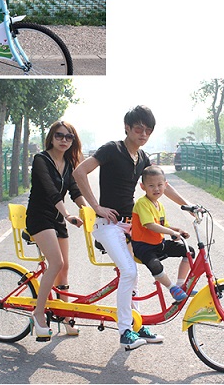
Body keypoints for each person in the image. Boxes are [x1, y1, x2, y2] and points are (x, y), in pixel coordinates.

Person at [73, 105, 195, 351]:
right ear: (127, 128)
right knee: (129, 272)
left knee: (134, 275)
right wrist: (96, 206)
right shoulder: (112, 149)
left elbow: (163, 185)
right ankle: (125, 331)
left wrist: (187, 205)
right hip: (108, 224)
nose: (144, 134)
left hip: (131, 227)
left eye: (148, 130)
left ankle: (137, 325)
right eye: (139, 129)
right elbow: (79, 172)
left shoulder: (143, 158)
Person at [25, 120, 88, 341]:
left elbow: (74, 191)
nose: (64, 140)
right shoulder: (41, 159)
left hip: (56, 219)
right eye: (59, 135)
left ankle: (65, 315)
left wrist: (89, 212)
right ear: (51, 137)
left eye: (69, 137)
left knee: (64, 268)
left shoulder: (69, 164)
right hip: (39, 217)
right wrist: (68, 215)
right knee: (56, 263)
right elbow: (51, 192)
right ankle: (38, 314)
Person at [131, 165, 196, 302]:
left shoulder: (159, 205)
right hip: (143, 246)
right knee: (155, 266)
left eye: (160, 185)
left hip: (158, 244)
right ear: (143, 187)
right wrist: (171, 232)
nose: (156, 189)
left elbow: (162, 226)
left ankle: (181, 284)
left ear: (165, 185)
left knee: (189, 251)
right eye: (151, 186)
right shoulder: (142, 203)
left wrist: (177, 230)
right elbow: (150, 225)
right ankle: (172, 288)